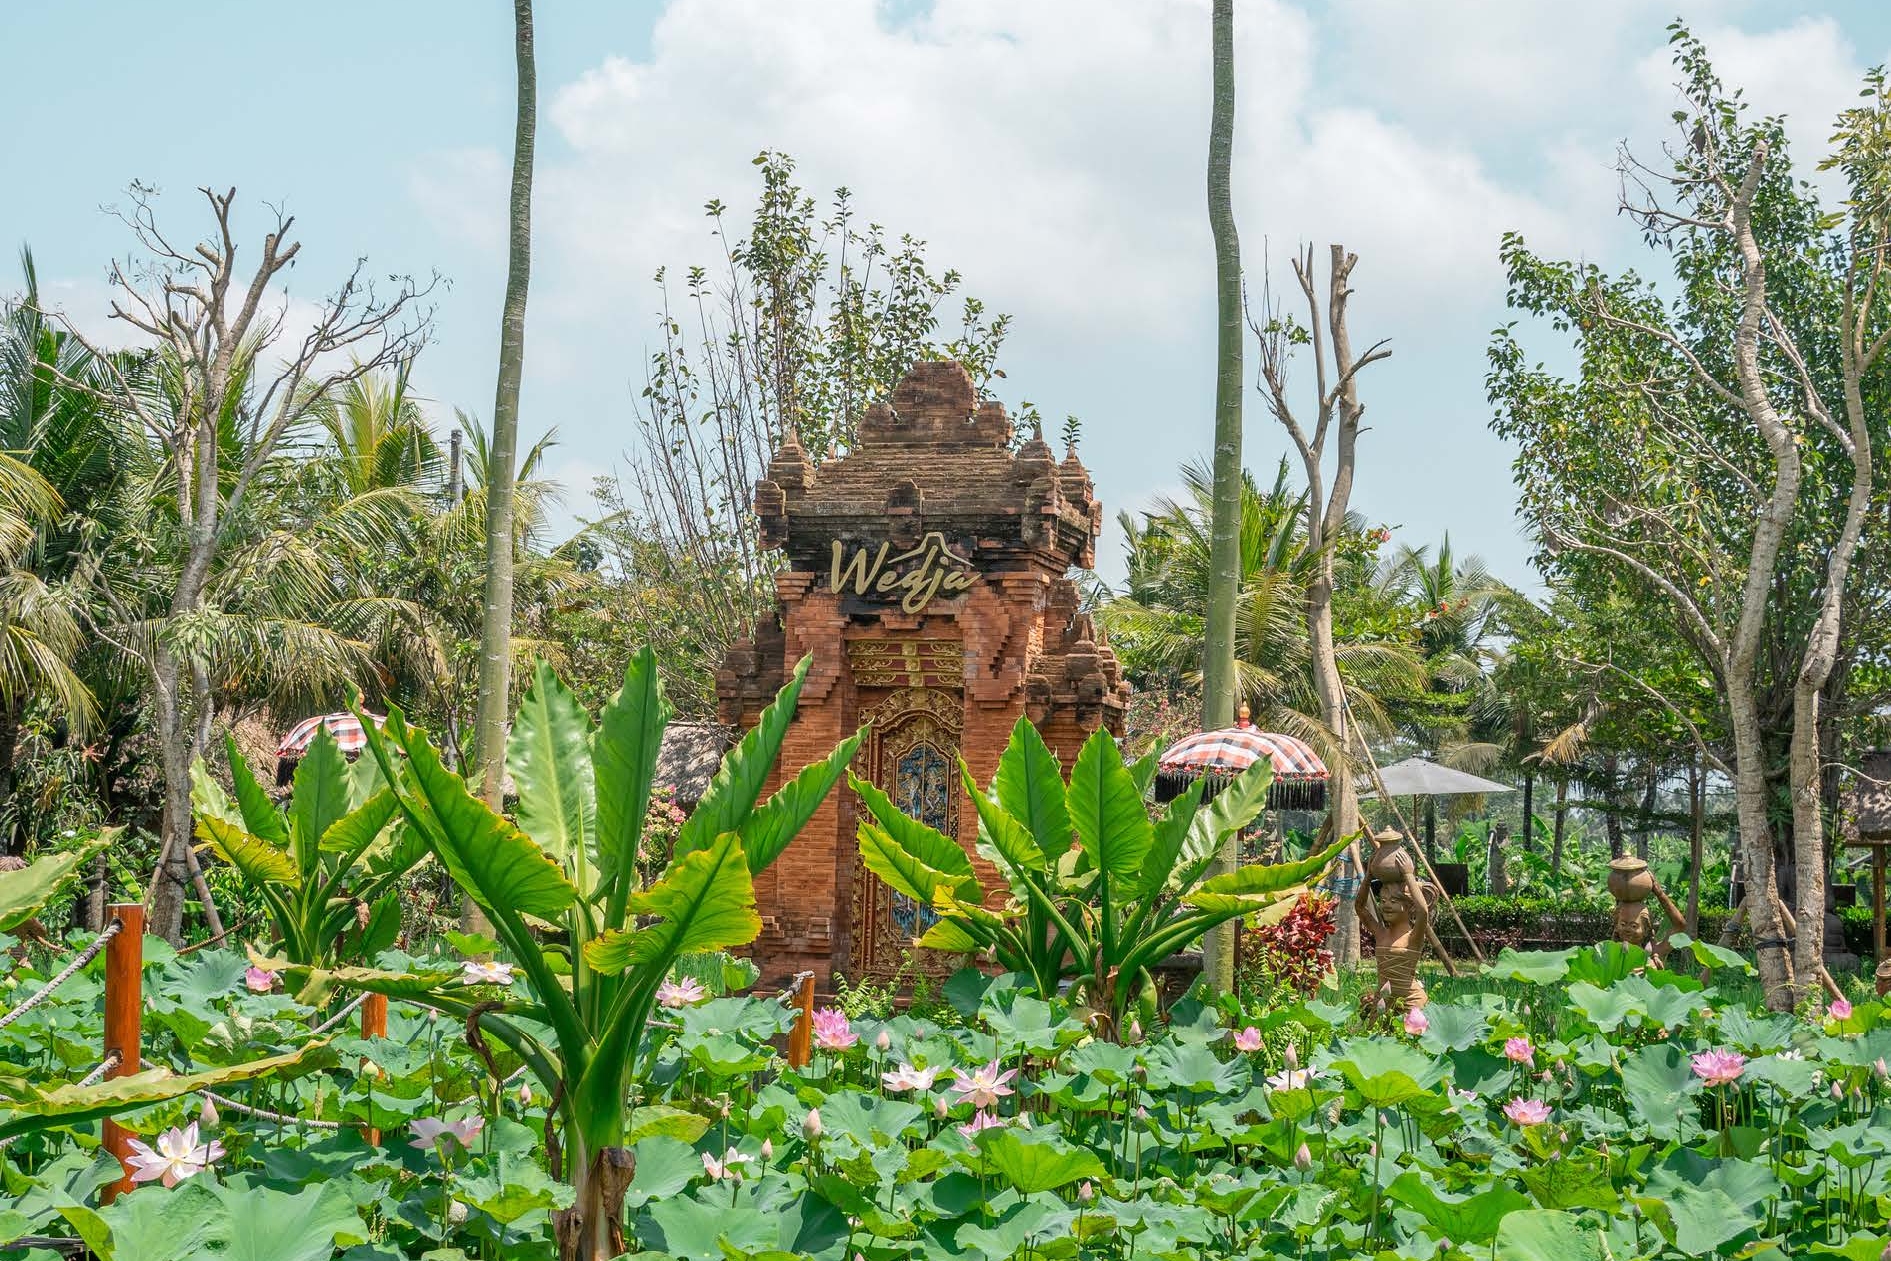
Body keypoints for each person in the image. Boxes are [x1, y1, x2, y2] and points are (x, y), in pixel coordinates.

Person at [1358, 828, 1432, 1013]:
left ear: (1408, 906)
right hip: (1384, 1000)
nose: (1386, 905)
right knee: (1373, 1039)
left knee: (1411, 1040)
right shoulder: (1381, 933)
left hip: (1411, 1001)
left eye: (1393, 901)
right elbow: (1360, 908)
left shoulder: (1413, 937)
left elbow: (1423, 911)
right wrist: (1368, 875)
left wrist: (1408, 875)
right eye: (1383, 901)